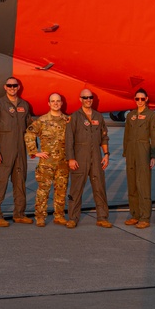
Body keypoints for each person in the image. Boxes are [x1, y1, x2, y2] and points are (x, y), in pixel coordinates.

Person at [0, 76, 34, 226]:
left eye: (15, 86)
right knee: (0, 182)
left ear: (18, 87)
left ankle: (19, 213)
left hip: (20, 150)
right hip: (4, 148)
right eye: (9, 86)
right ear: (5, 87)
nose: (12, 88)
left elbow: (31, 128)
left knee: (20, 182)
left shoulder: (24, 105)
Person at [66, 90, 111, 228]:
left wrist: (106, 154)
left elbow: (104, 137)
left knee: (99, 187)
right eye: (85, 97)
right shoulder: (74, 117)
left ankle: (102, 217)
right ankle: (73, 218)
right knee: (76, 188)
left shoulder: (98, 116)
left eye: (90, 97)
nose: (88, 99)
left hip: (96, 157)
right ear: (80, 99)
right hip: (80, 156)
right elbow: (69, 140)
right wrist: (71, 159)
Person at [25, 93, 70, 227]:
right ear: (49, 104)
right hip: (46, 162)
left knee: (61, 190)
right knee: (43, 190)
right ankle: (40, 216)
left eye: (58, 101)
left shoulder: (67, 121)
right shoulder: (42, 120)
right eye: (53, 101)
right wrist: (34, 152)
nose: (55, 103)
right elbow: (29, 133)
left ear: (61, 103)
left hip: (63, 162)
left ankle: (59, 215)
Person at [123, 89, 155, 229]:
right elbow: (126, 136)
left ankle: (145, 217)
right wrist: (126, 153)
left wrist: (153, 155)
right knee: (132, 185)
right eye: (137, 99)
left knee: (143, 185)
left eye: (142, 99)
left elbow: (154, 137)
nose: (139, 101)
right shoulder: (130, 115)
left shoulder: (151, 116)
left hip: (143, 150)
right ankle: (134, 214)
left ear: (146, 99)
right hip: (131, 151)